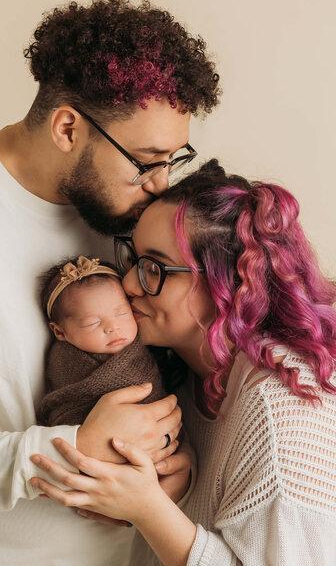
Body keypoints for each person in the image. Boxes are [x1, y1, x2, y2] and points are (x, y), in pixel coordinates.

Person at [0, 0, 220, 565]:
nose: (162, 186)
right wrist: (70, 451)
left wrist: (177, 458)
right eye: (146, 162)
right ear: (68, 128)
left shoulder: (131, 216)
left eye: (173, 159)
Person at [29, 160, 336, 566]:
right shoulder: (180, 368)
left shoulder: (279, 411)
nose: (128, 284)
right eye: (133, 258)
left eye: (154, 268)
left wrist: (147, 507)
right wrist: (183, 469)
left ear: (228, 285)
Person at [37, 254, 166, 428]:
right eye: (93, 323)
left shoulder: (150, 347)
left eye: (122, 313)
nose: (113, 327)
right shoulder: (64, 362)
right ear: (60, 332)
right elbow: (66, 408)